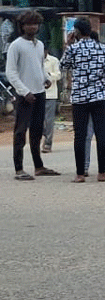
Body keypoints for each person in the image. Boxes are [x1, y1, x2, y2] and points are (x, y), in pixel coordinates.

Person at [60, 18, 105, 183]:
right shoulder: (103, 48)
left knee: (80, 135)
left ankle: (79, 174)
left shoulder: (73, 49)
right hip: (99, 97)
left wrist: (67, 45)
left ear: (76, 32)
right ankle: (102, 172)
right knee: (101, 134)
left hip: (79, 98)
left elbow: (63, 66)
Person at [6, 10, 57, 180]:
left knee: (37, 131)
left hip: (39, 93)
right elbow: (11, 73)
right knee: (20, 132)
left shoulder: (40, 44)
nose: (32, 27)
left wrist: (46, 78)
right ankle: (19, 169)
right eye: (29, 24)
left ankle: (39, 166)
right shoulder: (16, 45)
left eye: (35, 24)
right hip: (24, 95)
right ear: (22, 26)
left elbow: (39, 66)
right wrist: (24, 91)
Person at [41, 47, 61, 154]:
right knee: (38, 119)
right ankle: (44, 135)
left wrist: (48, 75)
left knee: (49, 120)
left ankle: (48, 143)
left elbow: (58, 75)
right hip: (38, 93)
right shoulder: (34, 60)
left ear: (46, 51)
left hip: (50, 94)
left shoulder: (53, 60)